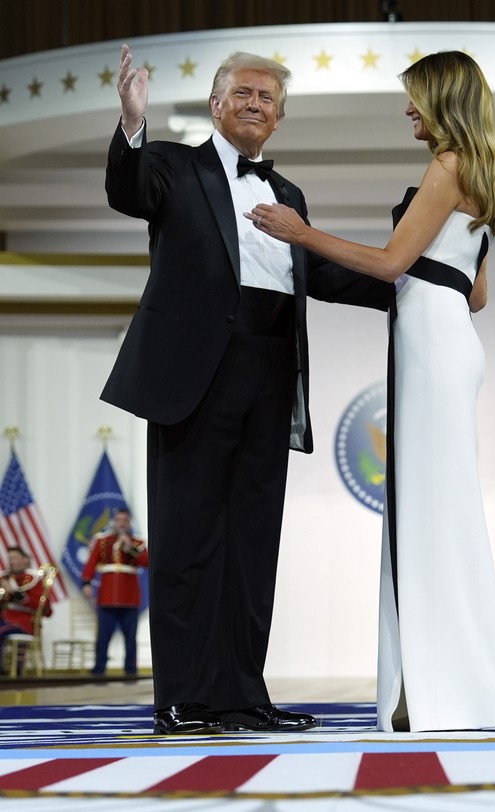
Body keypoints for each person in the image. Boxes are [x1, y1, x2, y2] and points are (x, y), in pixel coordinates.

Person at [101, 44, 393, 735]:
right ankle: (182, 698)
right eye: (242, 93)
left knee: (251, 542)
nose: (254, 104)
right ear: (216, 103)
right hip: (194, 374)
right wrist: (132, 121)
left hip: (269, 372)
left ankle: (240, 696)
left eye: (266, 98)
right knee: (186, 539)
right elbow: (127, 190)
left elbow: (318, 274)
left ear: (280, 117)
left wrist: (408, 288)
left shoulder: (289, 196)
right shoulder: (172, 165)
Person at [246, 51, 495, 732]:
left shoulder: (448, 166)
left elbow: (393, 262)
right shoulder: (480, 173)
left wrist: (300, 233)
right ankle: (444, 690)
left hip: (432, 350)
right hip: (451, 339)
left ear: (441, 100)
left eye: (415, 99)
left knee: (426, 517)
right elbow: (477, 294)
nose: (408, 111)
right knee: (438, 513)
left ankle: (435, 694)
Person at [81, 508, 148, 677]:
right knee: (103, 636)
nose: (121, 523)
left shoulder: (138, 542)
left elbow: (146, 562)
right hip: (107, 597)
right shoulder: (103, 541)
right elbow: (91, 562)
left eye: (125, 520)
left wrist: (130, 546)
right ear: (114, 521)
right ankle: (99, 668)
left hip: (129, 598)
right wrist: (86, 582)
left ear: (129, 522)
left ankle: (131, 670)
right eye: (118, 520)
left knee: (130, 638)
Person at [0, 547, 53, 669]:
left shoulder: (33, 579)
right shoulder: (6, 578)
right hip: (5, 619)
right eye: (9, 558)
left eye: (14, 558)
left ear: (25, 560)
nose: (11, 561)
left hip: (23, 622)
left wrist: (15, 593)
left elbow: (43, 607)